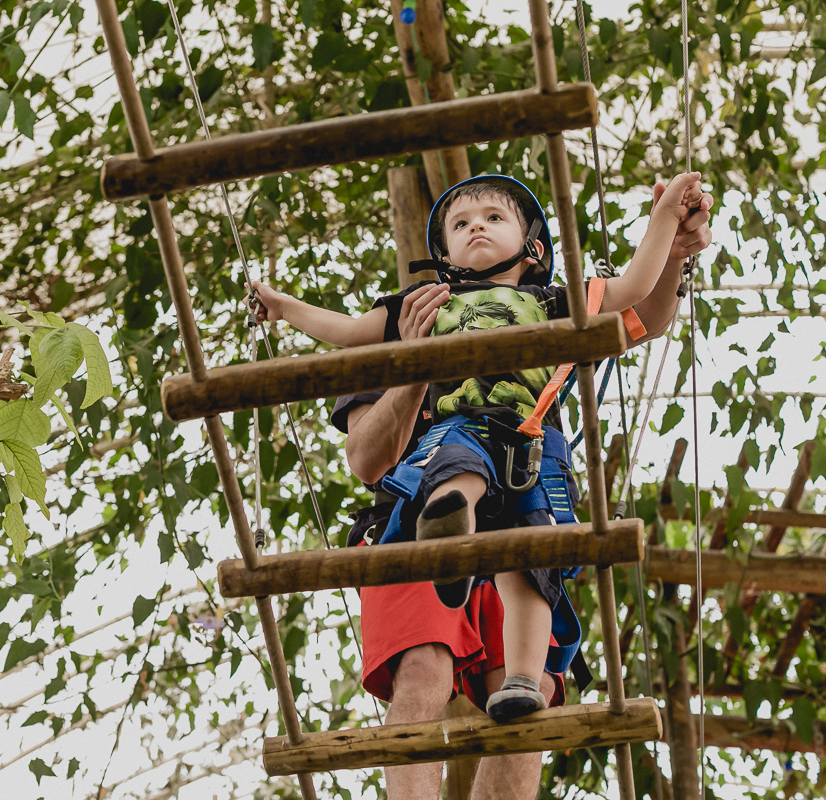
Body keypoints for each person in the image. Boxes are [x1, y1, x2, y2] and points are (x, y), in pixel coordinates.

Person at [253, 174, 715, 798]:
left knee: (528, 683)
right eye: (461, 222)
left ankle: (519, 675)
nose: (476, 226)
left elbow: (640, 307)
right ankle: (450, 519)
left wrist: (669, 235)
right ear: (441, 254)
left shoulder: (553, 302)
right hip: (420, 506)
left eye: (495, 218)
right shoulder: (418, 316)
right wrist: (294, 312)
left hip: (525, 455)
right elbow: (365, 451)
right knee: (422, 671)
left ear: (531, 245)